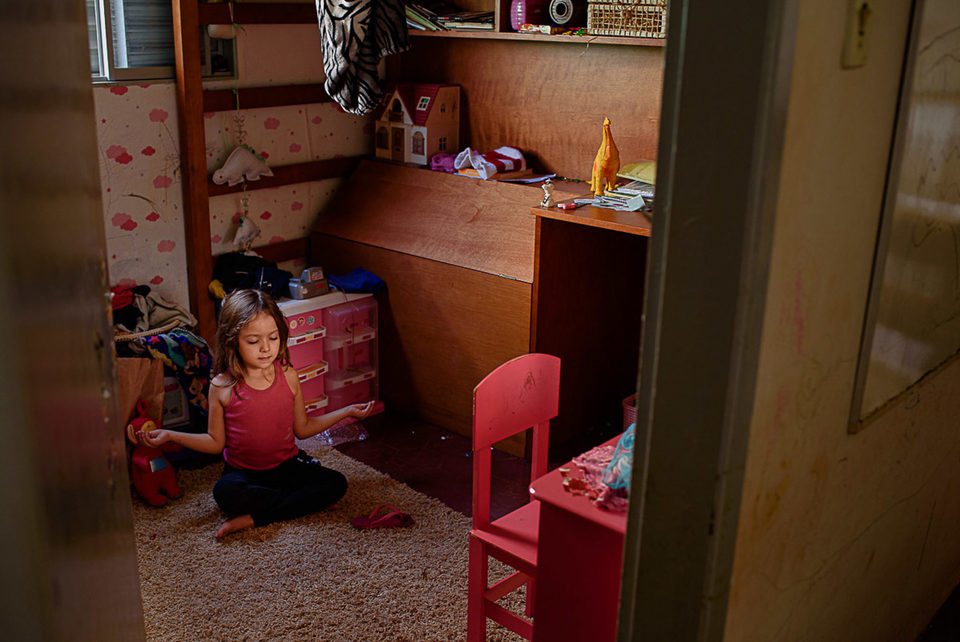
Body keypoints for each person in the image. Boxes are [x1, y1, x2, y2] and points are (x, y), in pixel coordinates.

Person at [135, 288, 375, 538]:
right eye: (253, 341)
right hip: (243, 474)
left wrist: (346, 411)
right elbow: (215, 442)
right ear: (232, 341)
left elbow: (303, 428)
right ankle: (299, 502)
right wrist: (170, 435)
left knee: (337, 484)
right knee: (224, 495)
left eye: (273, 337)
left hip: (286, 467)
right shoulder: (221, 386)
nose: (266, 348)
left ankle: (256, 518)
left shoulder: (289, 375)